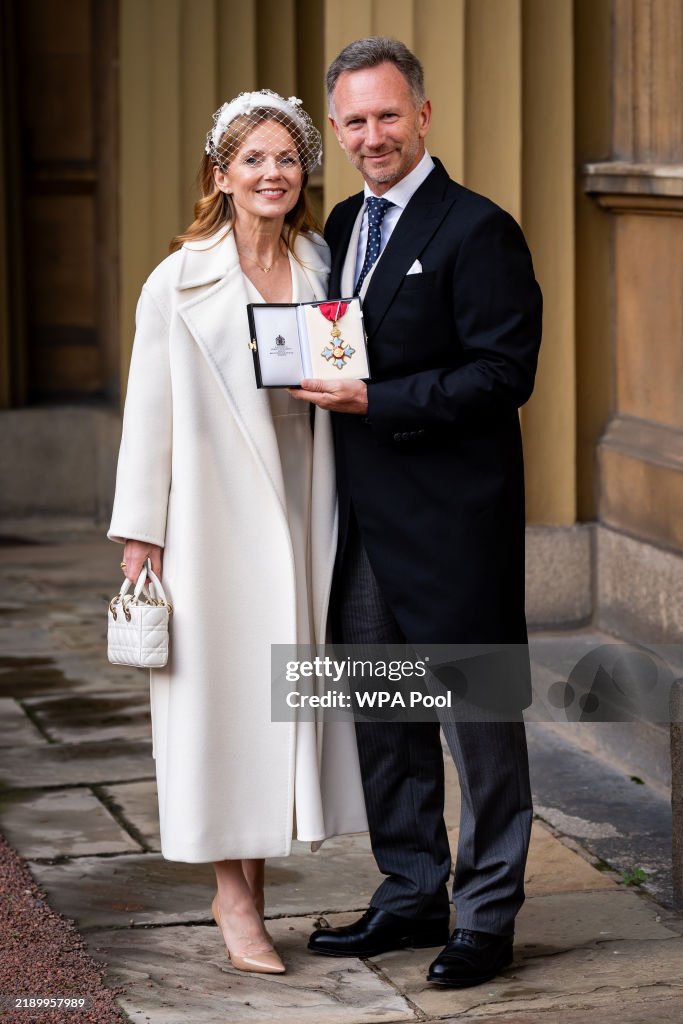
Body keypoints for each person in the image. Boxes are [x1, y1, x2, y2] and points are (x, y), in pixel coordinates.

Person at [290, 38, 543, 988]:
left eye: (387, 115)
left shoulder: (479, 229)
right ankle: (409, 893)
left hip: (453, 523)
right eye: (352, 121)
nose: (371, 135)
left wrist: (375, 404)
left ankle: (484, 918)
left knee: (479, 727)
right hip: (362, 522)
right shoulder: (346, 221)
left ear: (423, 116)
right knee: (383, 716)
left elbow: (501, 374)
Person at [108, 90, 366, 976]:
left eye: (286, 158)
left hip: (299, 512)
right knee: (220, 707)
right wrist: (142, 535)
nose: (271, 174)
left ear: (304, 173)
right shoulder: (175, 279)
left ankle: (255, 890)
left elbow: (340, 382)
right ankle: (233, 897)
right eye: (251, 160)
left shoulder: (319, 264)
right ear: (220, 175)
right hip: (208, 527)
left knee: (277, 702)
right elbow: (149, 414)